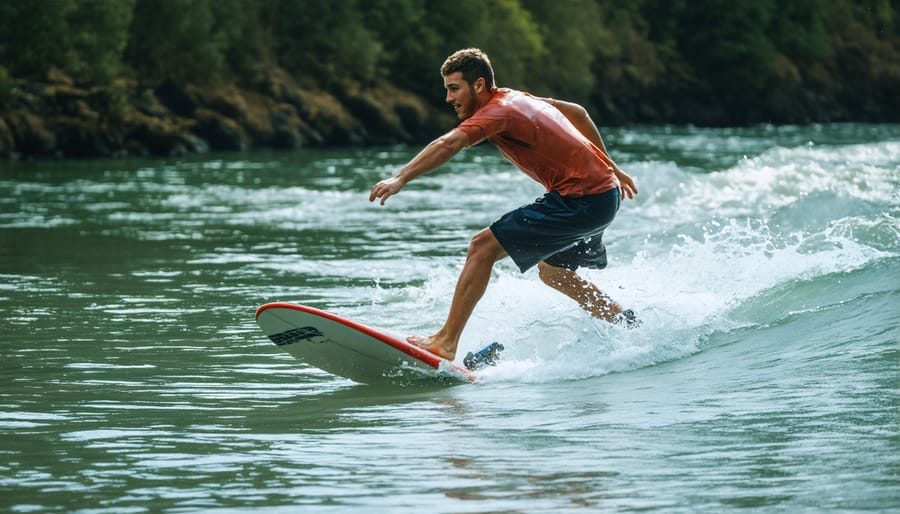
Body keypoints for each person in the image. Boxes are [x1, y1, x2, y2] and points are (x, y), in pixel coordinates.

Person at [369, 48, 638, 361]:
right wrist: (612, 167)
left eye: (454, 88)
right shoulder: (517, 98)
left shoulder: (497, 113)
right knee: (553, 273)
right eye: (447, 89)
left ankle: (445, 342)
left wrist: (400, 178)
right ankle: (625, 323)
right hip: (606, 195)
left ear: (479, 85)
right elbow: (578, 112)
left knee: (482, 246)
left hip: (582, 200)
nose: (448, 98)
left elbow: (449, 143)